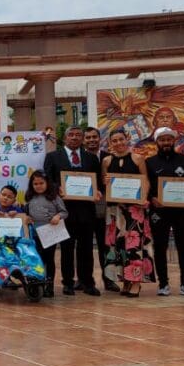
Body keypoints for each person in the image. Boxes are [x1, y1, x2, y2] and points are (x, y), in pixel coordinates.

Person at [43, 126, 103, 296]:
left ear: (82, 139)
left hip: (86, 210)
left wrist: (98, 191)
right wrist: (57, 188)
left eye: (78, 135)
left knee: (86, 248)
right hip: (64, 209)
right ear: (65, 138)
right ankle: (68, 282)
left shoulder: (91, 158)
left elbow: (98, 181)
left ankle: (87, 282)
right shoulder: (52, 157)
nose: (75, 137)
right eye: (71, 135)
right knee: (66, 248)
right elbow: (48, 180)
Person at [146, 127, 184, 297]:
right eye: (162, 140)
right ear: (157, 142)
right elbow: (145, 185)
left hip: (182, 212)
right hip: (159, 212)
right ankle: (163, 284)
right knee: (160, 247)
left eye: (169, 139)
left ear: (174, 141)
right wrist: (151, 198)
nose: (166, 143)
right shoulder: (150, 162)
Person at [101, 130, 153, 298]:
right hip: (115, 210)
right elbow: (104, 183)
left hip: (134, 209)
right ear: (110, 143)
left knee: (134, 246)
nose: (118, 143)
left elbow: (146, 181)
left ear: (127, 139)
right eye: (114, 140)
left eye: (121, 139)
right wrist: (105, 181)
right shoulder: (106, 161)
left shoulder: (138, 158)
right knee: (119, 246)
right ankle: (126, 281)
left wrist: (144, 198)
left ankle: (136, 282)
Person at [83, 127, 118, 292]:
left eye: (94, 137)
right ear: (84, 140)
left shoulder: (109, 158)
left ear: (100, 138)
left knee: (106, 245)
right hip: (84, 207)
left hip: (106, 206)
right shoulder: (78, 158)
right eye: (88, 137)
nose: (91, 140)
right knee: (84, 246)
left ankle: (109, 280)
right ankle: (84, 280)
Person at [24, 171, 67, 298]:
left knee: (49, 259)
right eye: (35, 184)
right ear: (31, 185)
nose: (38, 186)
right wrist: (27, 217)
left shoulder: (54, 197)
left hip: (50, 234)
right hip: (34, 234)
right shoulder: (30, 198)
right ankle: (38, 284)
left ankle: (49, 285)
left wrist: (57, 216)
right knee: (37, 259)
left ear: (47, 183)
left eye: (41, 183)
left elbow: (64, 212)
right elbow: (26, 213)